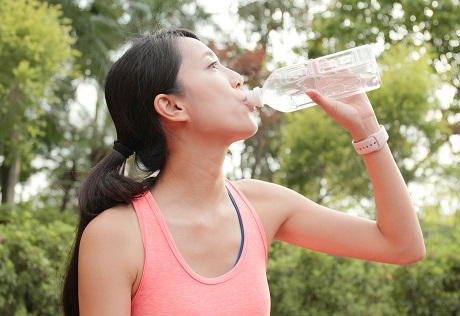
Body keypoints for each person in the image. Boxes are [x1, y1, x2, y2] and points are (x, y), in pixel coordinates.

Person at [61, 28, 425, 315]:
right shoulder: (116, 235)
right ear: (171, 106)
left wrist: (367, 131)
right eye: (212, 66)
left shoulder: (261, 205)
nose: (237, 78)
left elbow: (402, 245)